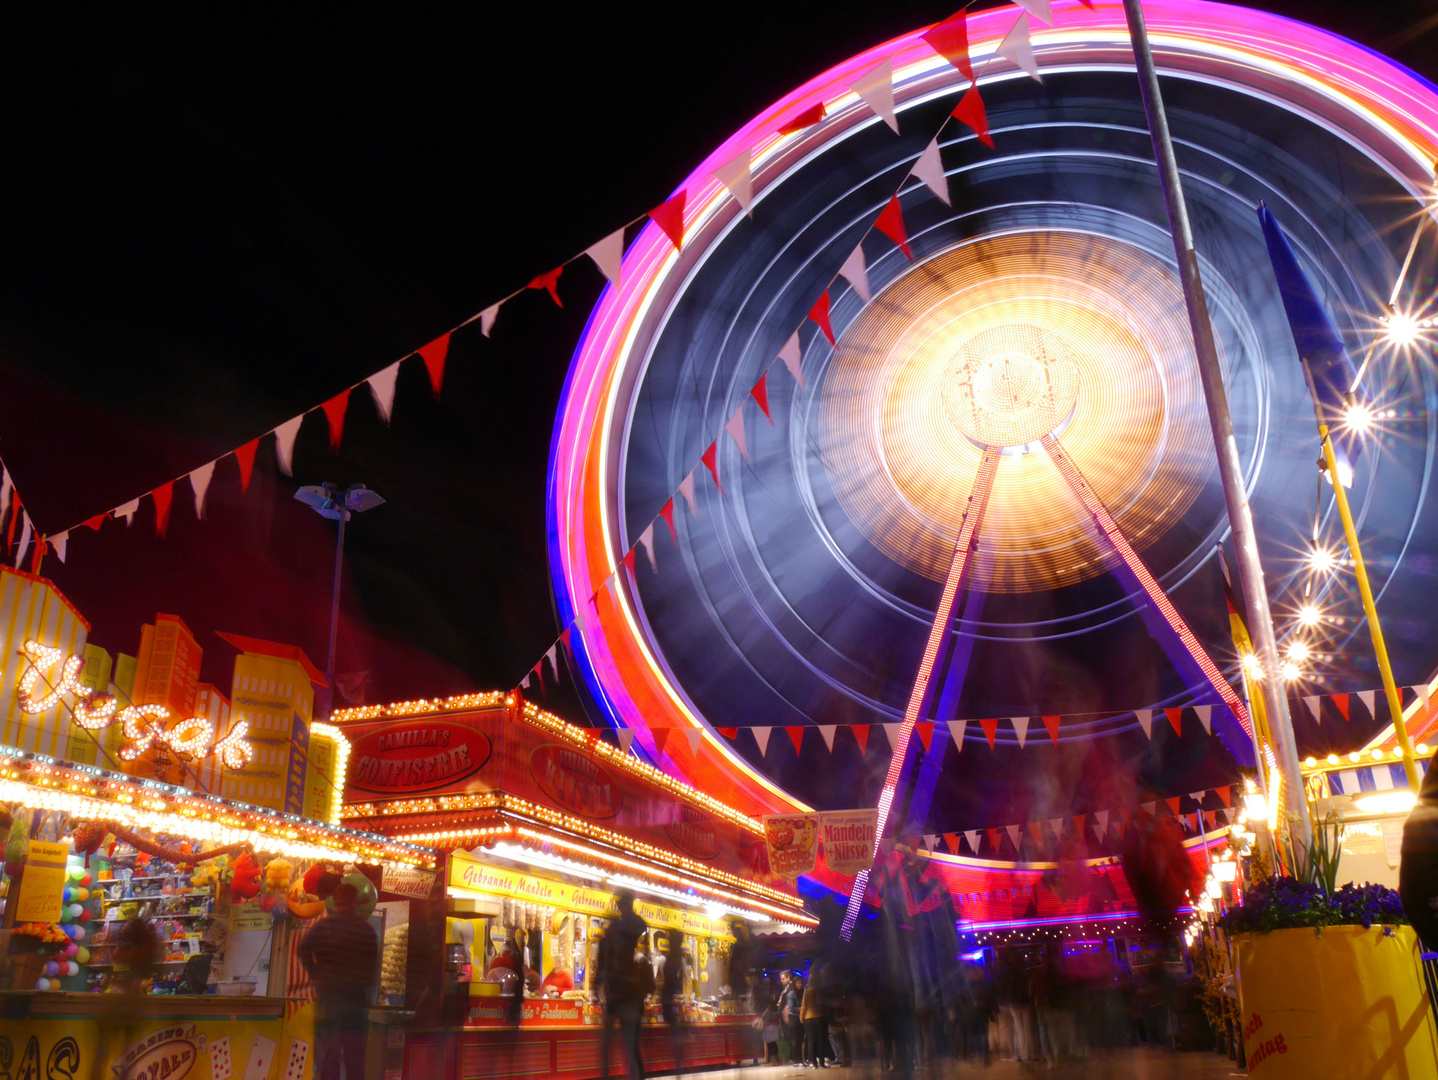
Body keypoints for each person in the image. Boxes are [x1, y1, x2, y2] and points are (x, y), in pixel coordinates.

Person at [298, 881, 379, 1080]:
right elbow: (372, 966)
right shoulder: (365, 929)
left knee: (330, 1053)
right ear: (355, 902)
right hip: (356, 1000)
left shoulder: (324, 926)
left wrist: (317, 974)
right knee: (355, 1055)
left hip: (330, 998)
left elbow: (302, 949)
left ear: (336, 901)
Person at [597, 889, 648, 1080]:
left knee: (607, 1045)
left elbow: (602, 962)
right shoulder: (635, 926)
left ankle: (606, 1075)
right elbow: (642, 926)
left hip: (616, 993)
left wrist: (598, 985)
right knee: (629, 1045)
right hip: (631, 992)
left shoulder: (614, 930)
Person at [660, 929, 687, 1076]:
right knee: (675, 1030)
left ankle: (677, 1061)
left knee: (674, 1030)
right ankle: (678, 1061)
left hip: (669, 998)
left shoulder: (674, 957)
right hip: (670, 997)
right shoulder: (677, 956)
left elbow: (673, 978)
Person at [801, 965, 828, 1068]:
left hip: (808, 1017)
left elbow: (804, 1005)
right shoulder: (820, 989)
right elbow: (823, 1003)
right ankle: (822, 1062)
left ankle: (813, 1062)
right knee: (821, 1040)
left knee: (811, 1041)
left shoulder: (807, 990)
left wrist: (802, 1017)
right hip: (819, 1017)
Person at [780, 971, 804, 1064]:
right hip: (794, 1019)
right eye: (798, 983)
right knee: (795, 1040)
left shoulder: (798, 992)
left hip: (799, 1018)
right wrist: (801, 1009)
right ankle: (795, 1059)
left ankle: (799, 1059)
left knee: (799, 1039)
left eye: (801, 983)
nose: (800, 985)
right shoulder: (791, 993)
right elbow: (791, 1008)